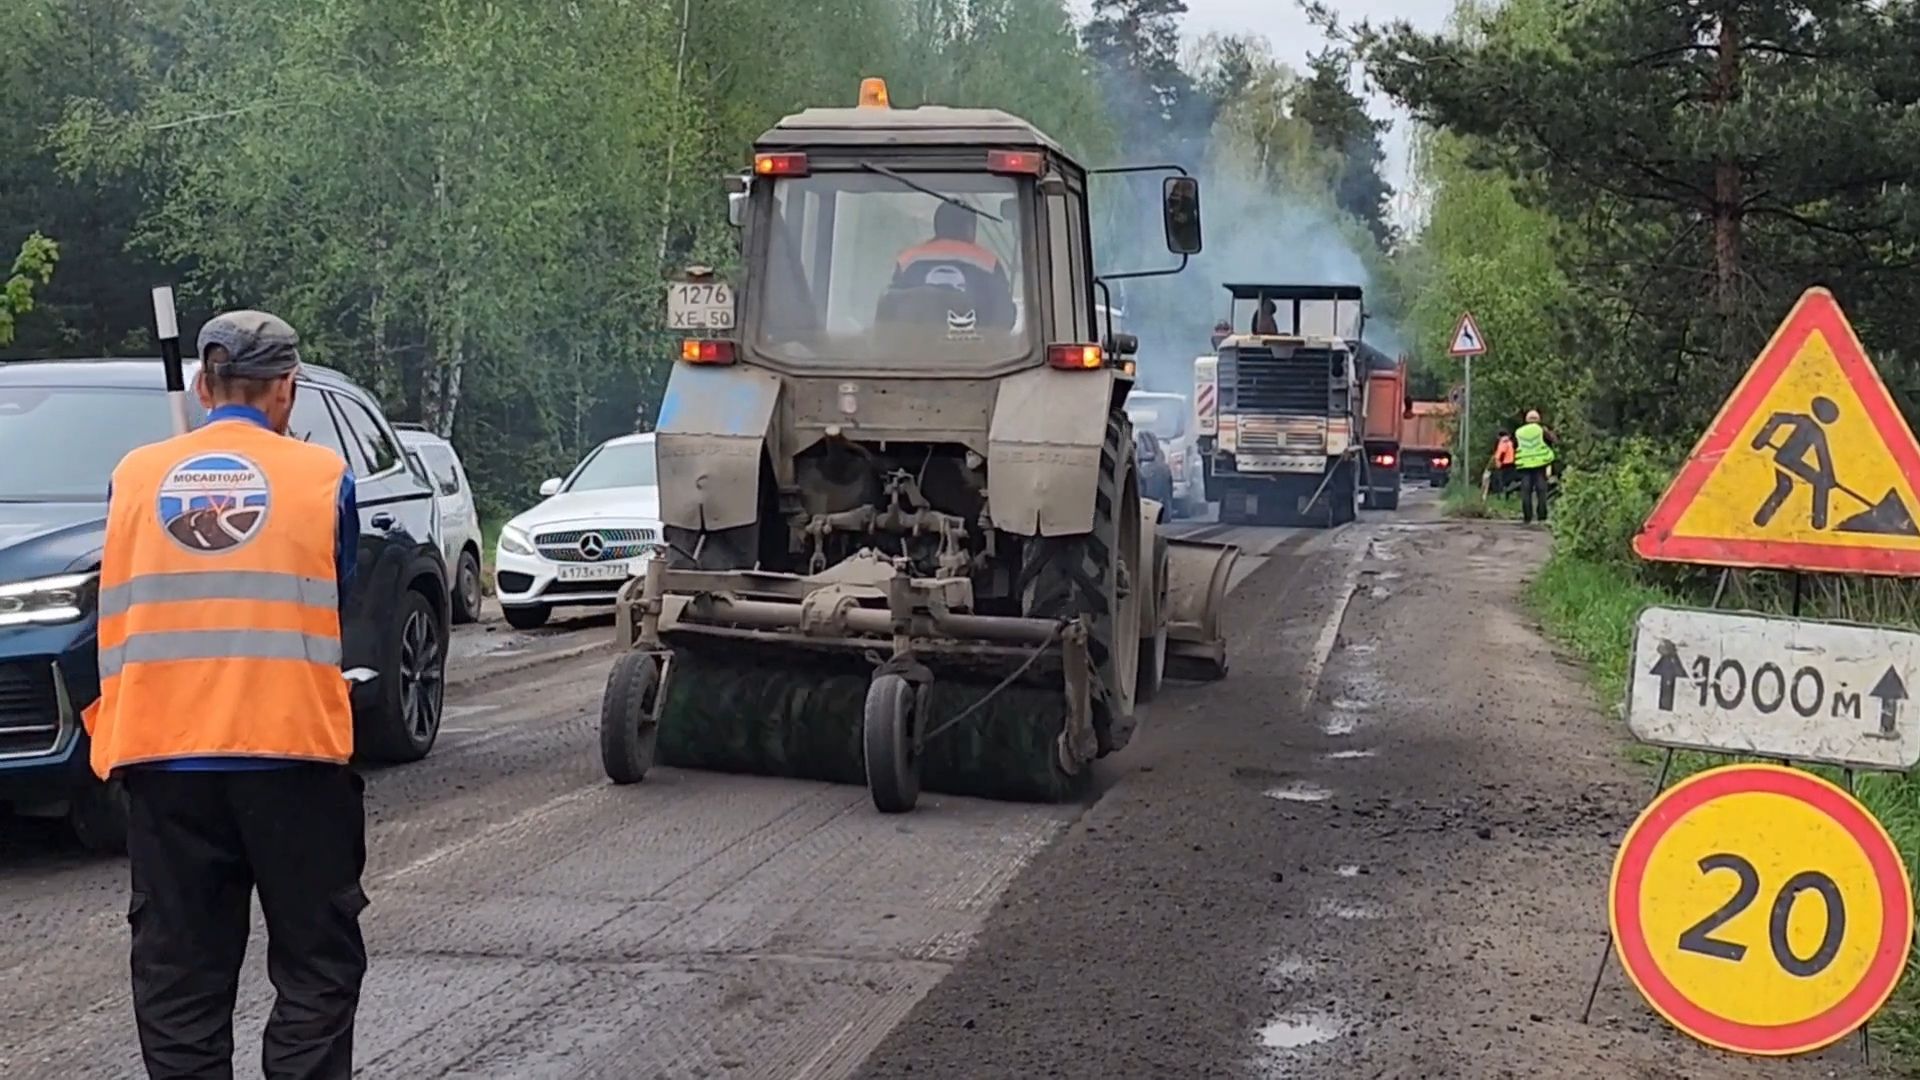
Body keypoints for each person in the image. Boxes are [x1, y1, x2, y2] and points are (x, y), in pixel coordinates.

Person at [84, 310, 368, 1080]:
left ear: (204, 386)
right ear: (288, 390)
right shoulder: (321, 480)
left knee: (181, 987)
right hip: (291, 759)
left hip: (162, 759)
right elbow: (335, 582)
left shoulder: (135, 477)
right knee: (315, 969)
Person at [890, 199, 1013, 326]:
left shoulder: (908, 259)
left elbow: (890, 313)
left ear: (937, 225)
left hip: (917, 343)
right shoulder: (989, 262)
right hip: (976, 344)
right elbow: (1005, 317)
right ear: (970, 227)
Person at [1513, 409, 1557, 524]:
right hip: (1540, 464)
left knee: (1526, 491)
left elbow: (1515, 446)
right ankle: (1542, 516)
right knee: (1541, 491)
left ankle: (1527, 517)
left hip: (1525, 465)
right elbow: (1553, 440)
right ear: (1538, 419)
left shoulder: (1519, 432)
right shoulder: (1541, 430)